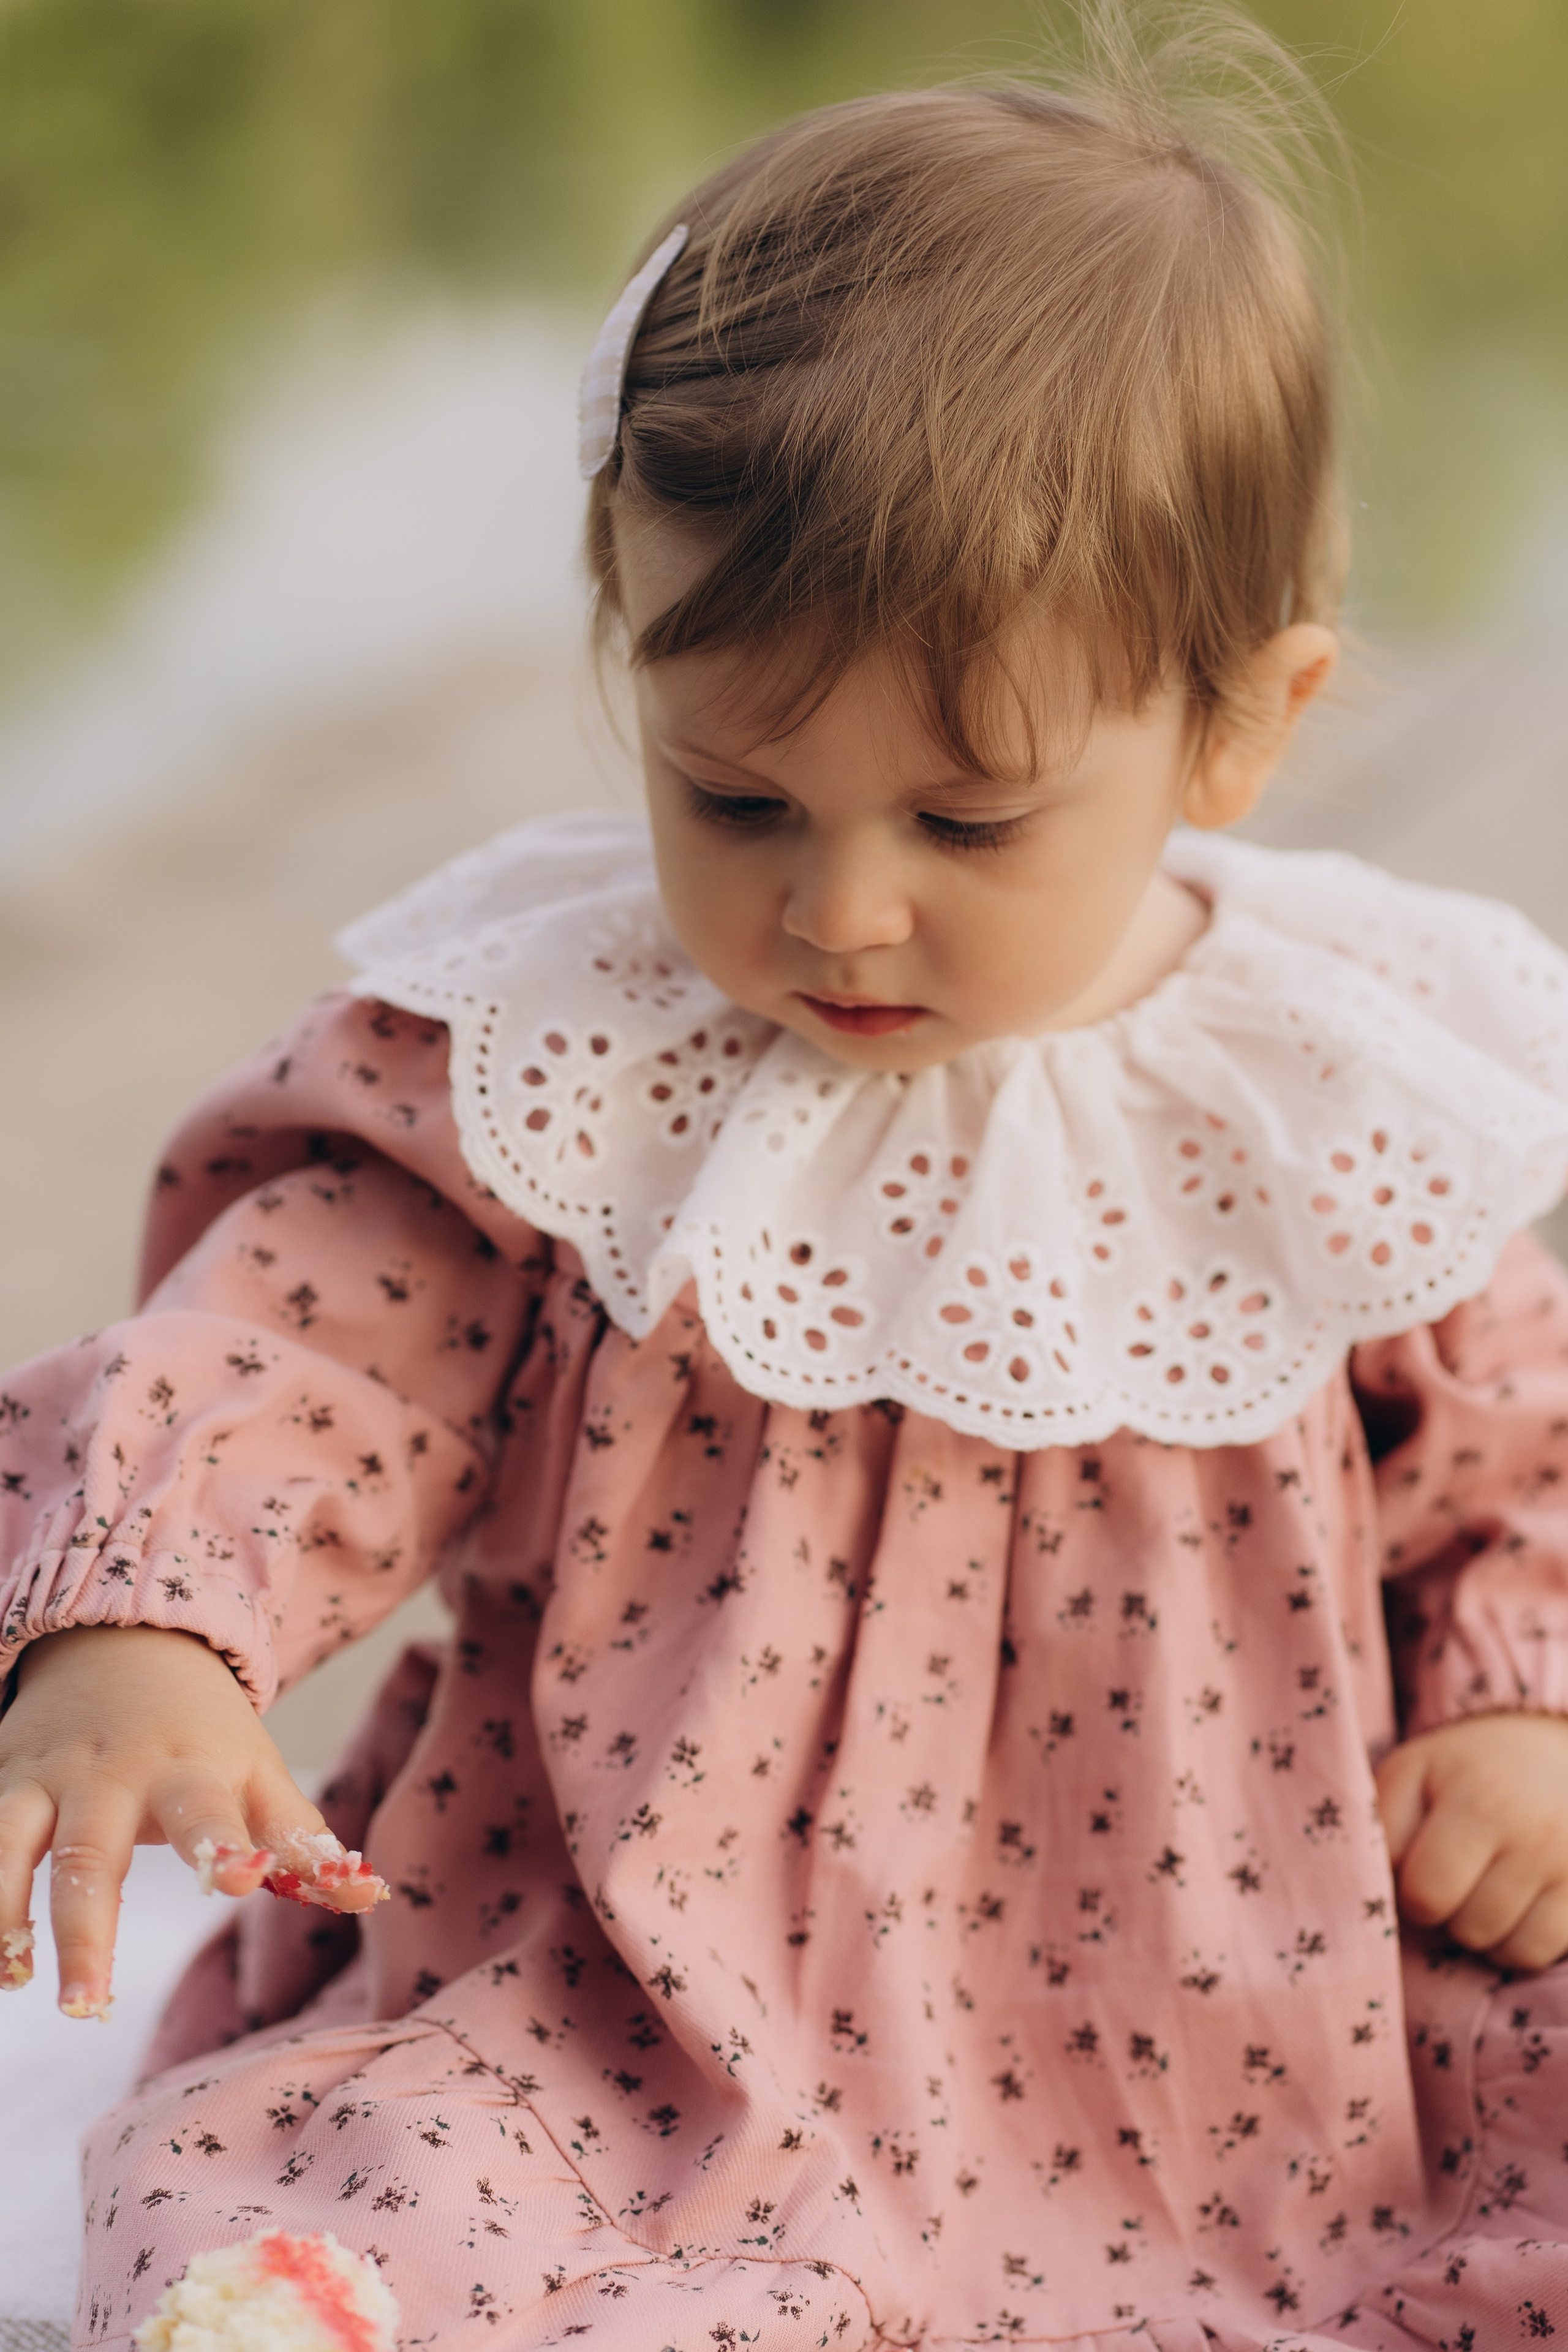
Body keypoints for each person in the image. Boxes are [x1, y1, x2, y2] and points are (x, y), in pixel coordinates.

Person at [6, 12, 1568, 2346]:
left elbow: (1508, 1449)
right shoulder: (566, 1069)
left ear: (1240, 723)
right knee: (415, 2161)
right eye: (741, 801)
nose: (838, 909)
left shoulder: (1316, 1097)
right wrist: (151, 1612)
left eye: (962, 823)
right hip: (628, 1966)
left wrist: (1523, 1705)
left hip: (1236, 2016)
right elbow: (298, 1340)